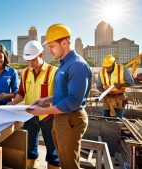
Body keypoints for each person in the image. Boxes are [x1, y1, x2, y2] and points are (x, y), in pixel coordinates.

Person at [26, 24, 92, 169]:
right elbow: (63, 93)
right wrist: (46, 100)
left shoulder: (77, 65)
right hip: (62, 118)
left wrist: (41, 111)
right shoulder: (64, 64)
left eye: (52, 46)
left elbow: (73, 101)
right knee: (64, 160)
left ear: (64, 42)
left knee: (69, 164)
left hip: (70, 118)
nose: (49, 50)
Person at [8, 40, 60, 169]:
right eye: (28, 60)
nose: (30, 63)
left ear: (40, 56)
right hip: (30, 116)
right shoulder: (25, 72)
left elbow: (60, 96)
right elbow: (21, 92)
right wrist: (13, 102)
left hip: (49, 118)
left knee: (53, 151)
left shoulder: (54, 72)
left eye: (33, 59)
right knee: (30, 149)